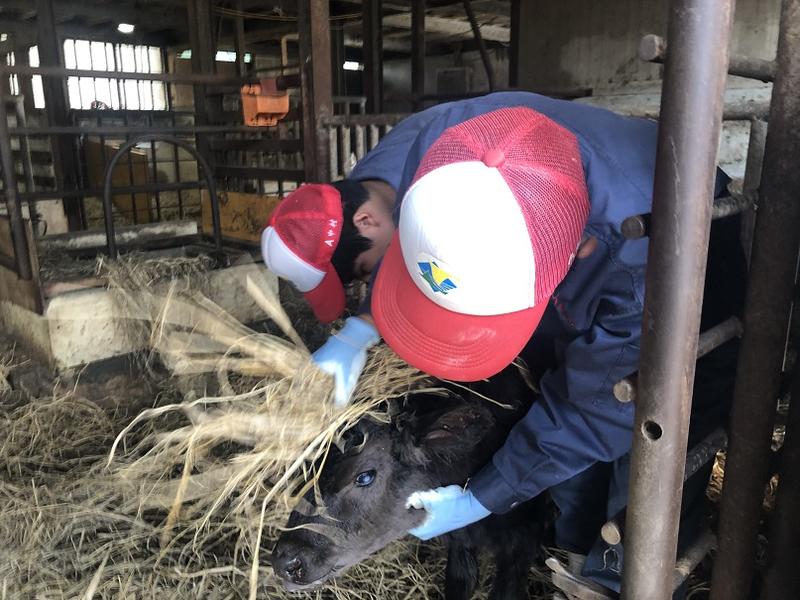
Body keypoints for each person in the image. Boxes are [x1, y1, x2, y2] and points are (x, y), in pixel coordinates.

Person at [262, 92, 745, 597]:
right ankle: (574, 549)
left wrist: (486, 496)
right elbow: (407, 235)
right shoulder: (435, 155)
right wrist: (364, 324)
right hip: (570, 222)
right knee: (558, 390)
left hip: (684, 221)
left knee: (655, 421)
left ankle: (620, 579)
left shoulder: (638, 261)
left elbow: (595, 406)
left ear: (571, 259)